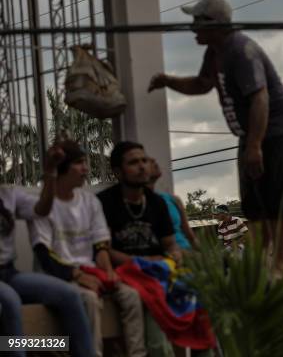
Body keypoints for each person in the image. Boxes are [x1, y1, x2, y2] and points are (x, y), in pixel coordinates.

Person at [149, 0, 283, 270]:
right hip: (250, 135)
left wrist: (255, 145)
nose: (192, 29)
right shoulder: (215, 52)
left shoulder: (240, 50)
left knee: (276, 200)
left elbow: (260, 97)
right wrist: (167, 81)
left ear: (213, 23)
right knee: (254, 203)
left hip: (276, 131)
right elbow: (202, 83)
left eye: (196, 22)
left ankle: (279, 266)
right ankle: (256, 266)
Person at [30, 140, 146, 357]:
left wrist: (108, 272)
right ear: (62, 169)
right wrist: (76, 275)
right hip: (59, 277)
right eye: (80, 163)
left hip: (91, 271)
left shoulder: (90, 201)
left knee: (131, 295)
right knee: (89, 299)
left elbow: (101, 245)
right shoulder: (43, 204)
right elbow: (43, 254)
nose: (86, 169)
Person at [0, 145, 95, 357]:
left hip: (9, 273)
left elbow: (42, 209)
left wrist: (50, 171)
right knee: (10, 301)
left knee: (69, 294)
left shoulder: (9, 193)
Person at [97, 141, 182, 357]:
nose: (142, 166)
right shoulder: (105, 202)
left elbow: (171, 245)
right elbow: (104, 249)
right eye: (134, 162)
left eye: (144, 160)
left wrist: (173, 259)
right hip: (126, 273)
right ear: (117, 171)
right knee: (152, 293)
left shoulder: (157, 203)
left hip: (157, 271)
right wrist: (141, 263)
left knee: (196, 290)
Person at [148, 158, 198, 249]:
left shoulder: (173, 199)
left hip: (188, 253)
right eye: (146, 161)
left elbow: (189, 234)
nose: (154, 161)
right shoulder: (140, 204)